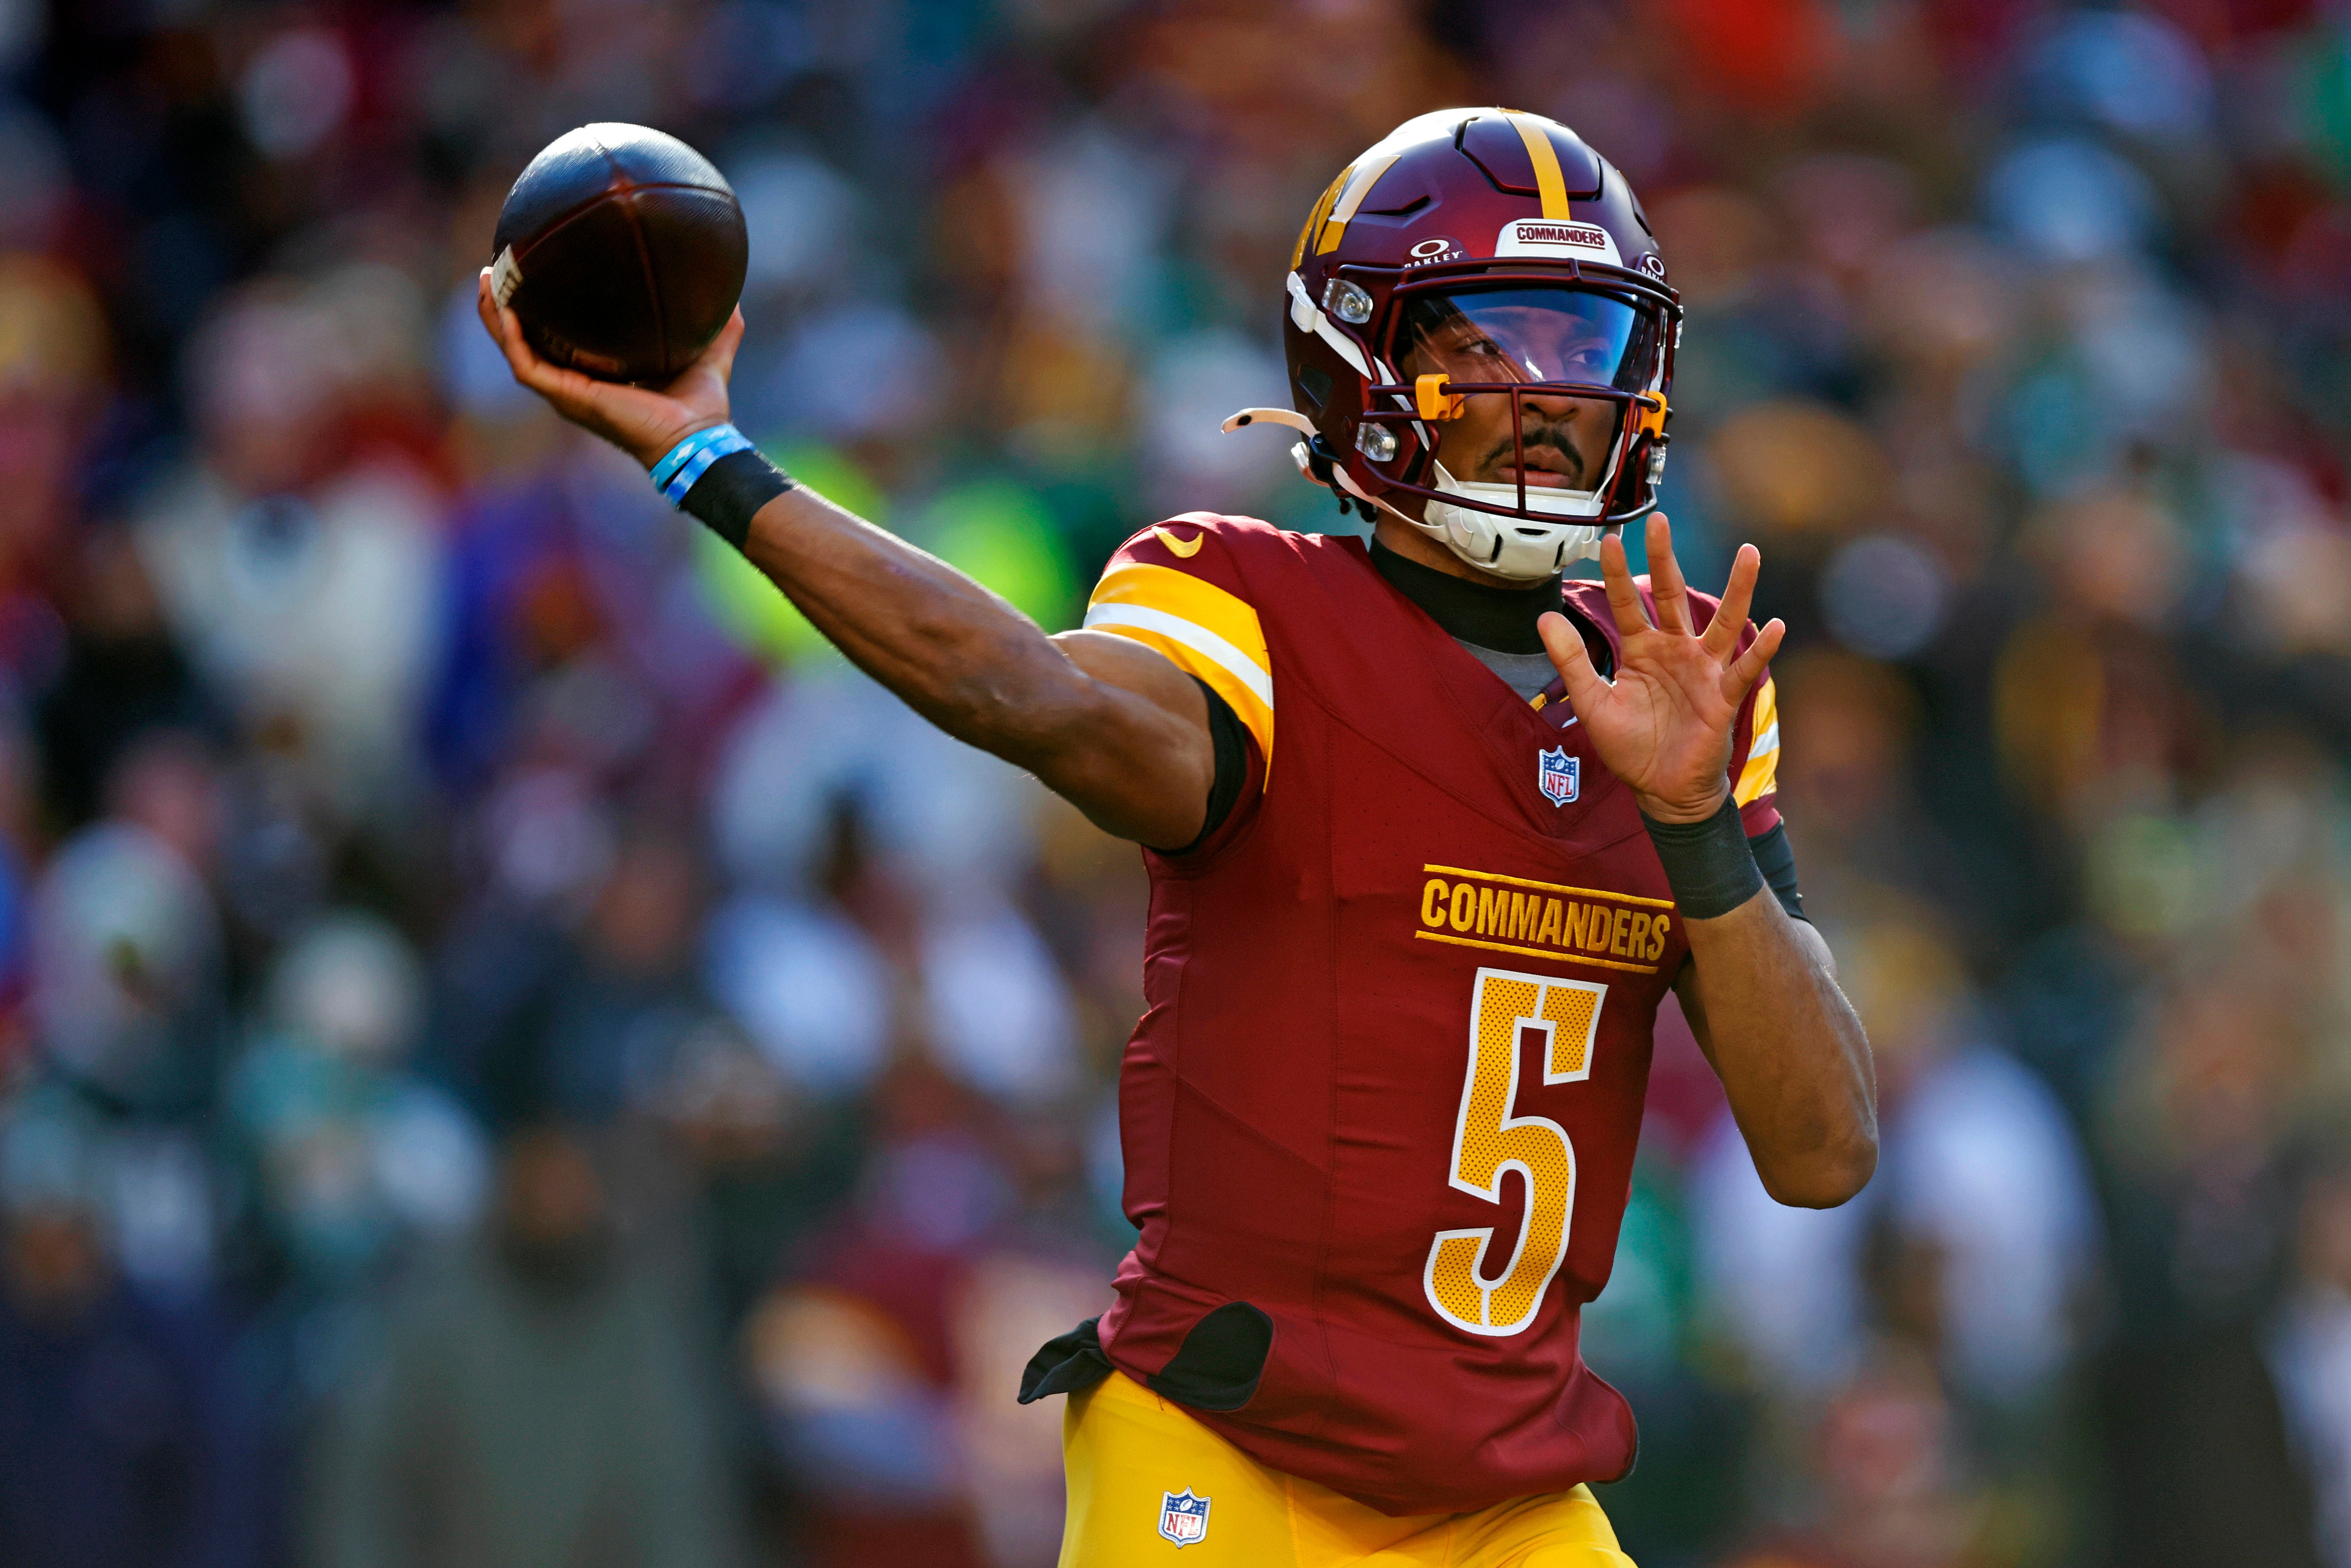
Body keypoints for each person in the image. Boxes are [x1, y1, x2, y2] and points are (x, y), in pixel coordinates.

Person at [480, 106, 1875, 1568]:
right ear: (1359, 365)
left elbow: (1822, 1147)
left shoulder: (1682, 683)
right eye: (1487, 344)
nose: (1548, 393)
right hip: (1230, 1454)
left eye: (1584, 345)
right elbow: (1032, 694)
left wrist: (1691, 818)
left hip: (1507, 1498)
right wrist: (714, 462)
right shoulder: (1255, 606)